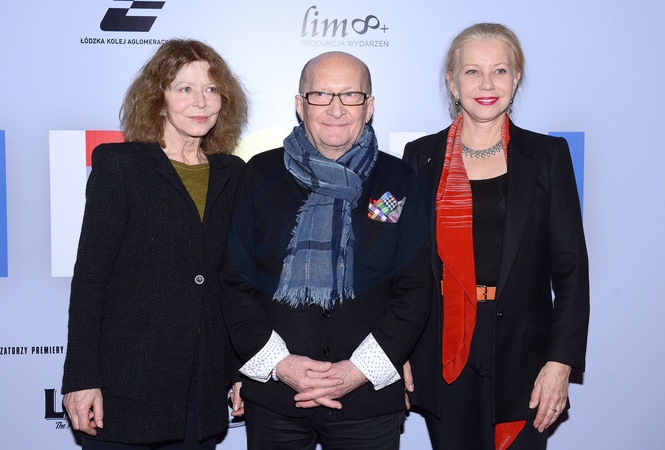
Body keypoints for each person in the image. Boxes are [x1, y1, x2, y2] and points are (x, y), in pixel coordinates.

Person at [219, 51, 431, 450]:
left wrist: (357, 371)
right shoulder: (259, 174)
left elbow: (415, 289)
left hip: (368, 401)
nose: (336, 109)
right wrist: (280, 365)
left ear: (369, 107)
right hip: (276, 397)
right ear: (300, 105)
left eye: (350, 95)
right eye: (320, 95)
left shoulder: (402, 179)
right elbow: (235, 281)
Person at [403, 23, 589, 450]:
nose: (486, 84)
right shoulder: (421, 157)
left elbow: (571, 271)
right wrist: (403, 351)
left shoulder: (547, 157)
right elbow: (407, 268)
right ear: (452, 82)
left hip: (524, 351)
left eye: (499, 71)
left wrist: (560, 362)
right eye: (472, 71)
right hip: (442, 348)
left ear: (515, 78)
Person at [61, 39, 248, 449]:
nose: (200, 102)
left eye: (211, 89)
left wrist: (241, 369)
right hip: (125, 382)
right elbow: (91, 278)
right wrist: (81, 377)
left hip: (202, 383)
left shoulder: (233, 173)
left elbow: (233, 283)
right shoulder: (120, 166)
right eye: (185, 88)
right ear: (158, 99)